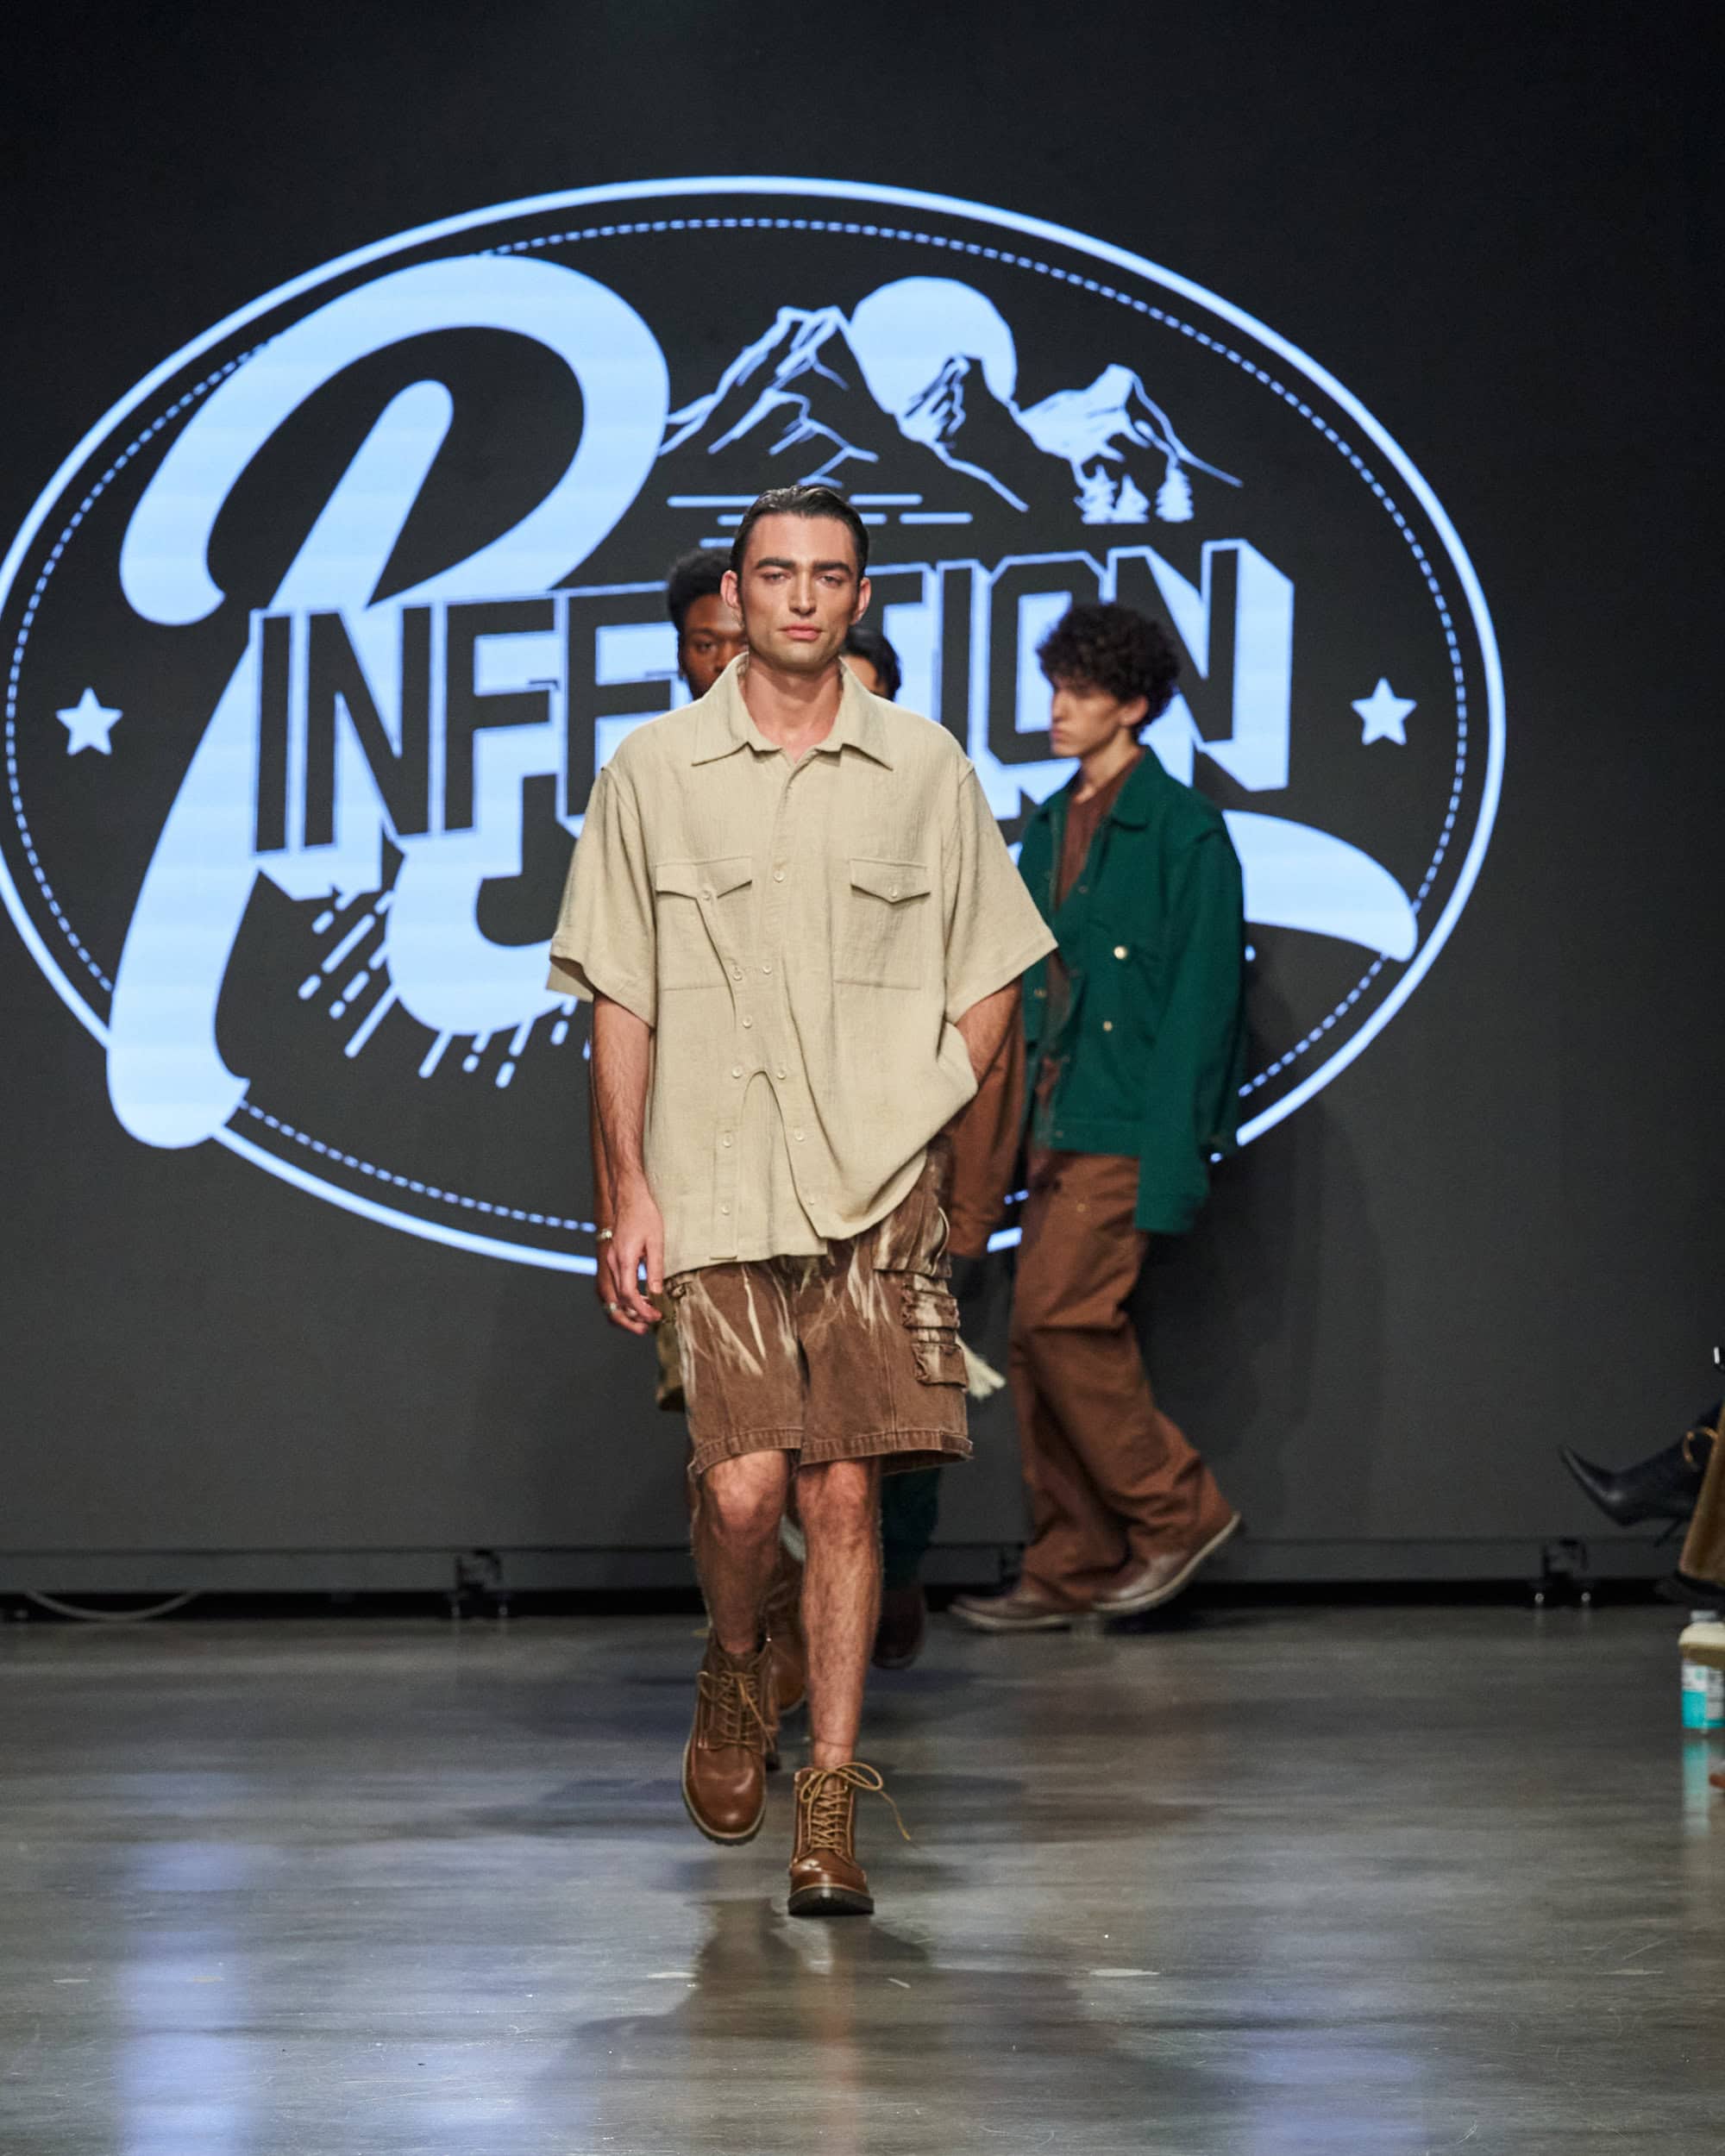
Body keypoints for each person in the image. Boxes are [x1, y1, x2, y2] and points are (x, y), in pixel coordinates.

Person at [549, 483, 1054, 1915]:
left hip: (876, 1194)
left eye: (830, 575)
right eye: (776, 573)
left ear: (861, 598)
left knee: (845, 1493)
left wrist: (922, 1102)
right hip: (713, 1178)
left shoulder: (924, 767)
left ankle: (827, 1800)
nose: (802, 598)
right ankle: (733, 1662)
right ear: (738, 591)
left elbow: (996, 967)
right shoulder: (653, 771)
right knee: (745, 1489)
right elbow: (621, 999)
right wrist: (626, 1193)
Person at [953, 601, 1245, 1633]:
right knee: (1034, 1344)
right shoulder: (1047, 824)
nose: (1055, 709)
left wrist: (1173, 1159)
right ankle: (1069, 1559)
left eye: (1078, 691)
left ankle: (1177, 1511)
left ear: (1134, 705)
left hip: (1122, 1126)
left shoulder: (1181, 831)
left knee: (1060, 1321)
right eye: (1054, 687)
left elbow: (1202, 1010)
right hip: (1052, 1124)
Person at [837, 621, 1020, 1671]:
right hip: (766, 1159)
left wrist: (966, 1186)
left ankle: (895, 1565)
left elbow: (991, 991)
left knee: (899, 1394)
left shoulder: (936, 807)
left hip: (905, 1156)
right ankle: (777, 1627)